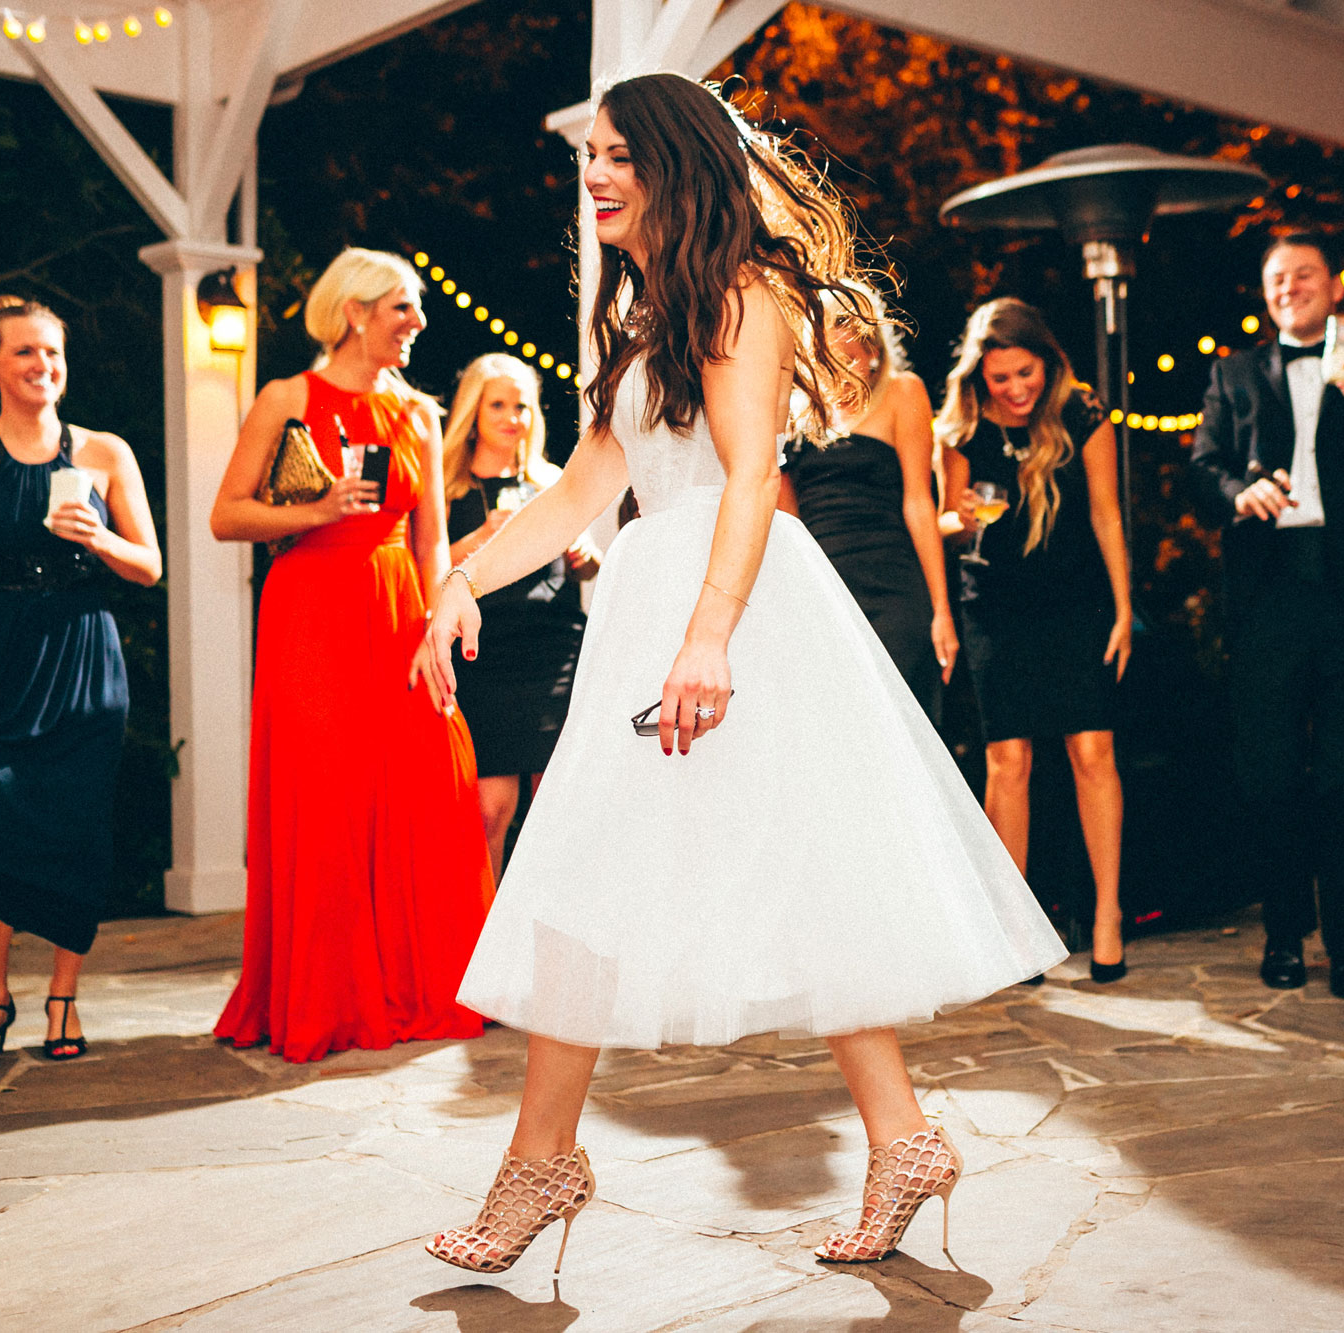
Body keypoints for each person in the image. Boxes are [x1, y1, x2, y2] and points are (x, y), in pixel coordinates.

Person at [416, 73, 1066, 1276]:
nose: (596, 175)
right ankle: (897, 1137)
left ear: (677, 163)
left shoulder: (742, 293)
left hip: (729, 610)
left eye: (620, 154)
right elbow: (581, 487)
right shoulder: (644, 306)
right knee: (660, 877)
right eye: (591, 154)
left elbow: (751, 476)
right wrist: (464, 576)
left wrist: (708, 635)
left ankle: (549, 1163)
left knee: (614, 874)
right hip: (658, 603)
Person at [209, 247, 493, 1064]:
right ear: (356, 312)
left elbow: (433, 539)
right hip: (311, 613)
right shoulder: (287, 397)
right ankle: (326, 995)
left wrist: (442, 620)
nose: (418, 323)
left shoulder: (422, 415)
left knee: (426, 787)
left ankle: (420, 983)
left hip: (400, 606)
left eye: (417, 309)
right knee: (326, 797)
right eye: (402, 307)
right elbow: (227, 515)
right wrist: (316, 509)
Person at [0, 295, 162, 1073]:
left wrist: (102, 535)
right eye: (24, 353)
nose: (42, 366)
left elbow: (149, 566)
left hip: (82, 657)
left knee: (77, 826)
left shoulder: (106, 454)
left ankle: (63, 996)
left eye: (52, 353)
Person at [1190, 233, 1344, 1002]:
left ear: (1332, 284)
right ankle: (1284, 936)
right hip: (1270, 596)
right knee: (1270, 778)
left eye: (1304, 275)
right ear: (1267, 292)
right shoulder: (1234, 372)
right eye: (1277, 279)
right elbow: (1203, 466)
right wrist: (1236, 494)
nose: (1290, 287)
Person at [935, 298, 1134, 984]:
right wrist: (954, 518)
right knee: (1008, 763)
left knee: (1092, 751)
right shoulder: (960, 429)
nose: (1016, 389)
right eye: (1001, 379)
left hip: (1077, 603)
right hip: (996, 607)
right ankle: (1016, 932)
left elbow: (1108, 515)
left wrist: (1122, 608)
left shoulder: (1083, 416)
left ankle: (1108, 916)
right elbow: (944, 526)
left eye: (1026, 373)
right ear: (980, 378)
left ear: (1047, 365)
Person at [442, 353, 596, 880]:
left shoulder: (552, 483)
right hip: (482, 656)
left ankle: (548, 931)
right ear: (474, 413)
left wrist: (582, 555)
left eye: (523, 406)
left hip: (552, 650)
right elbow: (427, 570)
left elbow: (587, 565)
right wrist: (483, 537)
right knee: (489, 810)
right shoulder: (448, 491)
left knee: (555, 803)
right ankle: (486, 941)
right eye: (499, 405)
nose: (513, 417)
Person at [778, 284, 956, 719]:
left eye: (859, 345)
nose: (850, 359)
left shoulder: (902, 392)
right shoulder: (794, 410)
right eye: (834, 350)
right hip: (825, 591)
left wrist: (941, 610)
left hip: (893, 586)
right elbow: (786, 517)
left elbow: (919, 502)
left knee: (902, 727)